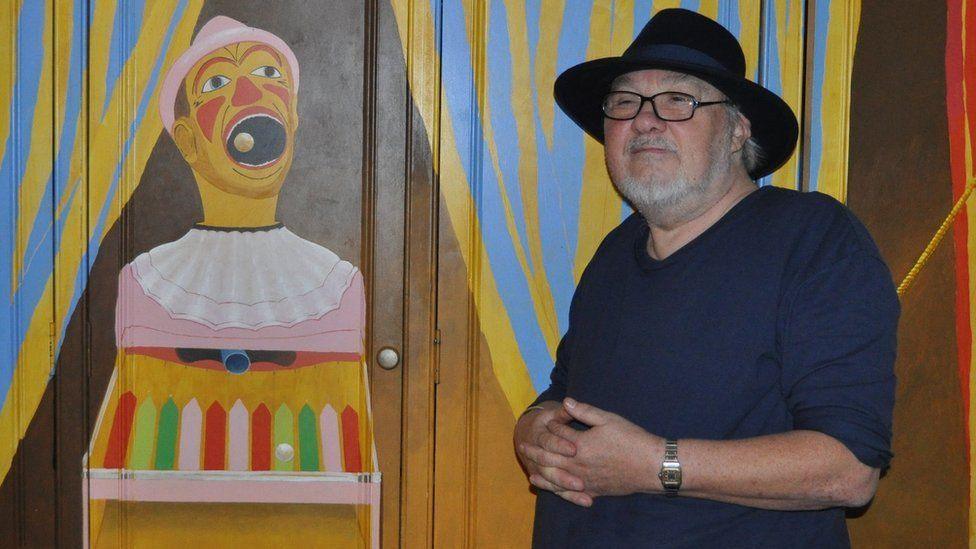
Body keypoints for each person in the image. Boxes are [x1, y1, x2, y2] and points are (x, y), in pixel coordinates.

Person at [513, 9, 898, 548]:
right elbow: (564, 392)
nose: (645, 120)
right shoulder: (615, 252)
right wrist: (533, 428)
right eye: (625, 102)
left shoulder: (813, 240)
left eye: (679, 100)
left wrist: (657, 465)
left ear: (738, 129)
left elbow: (850, 469)